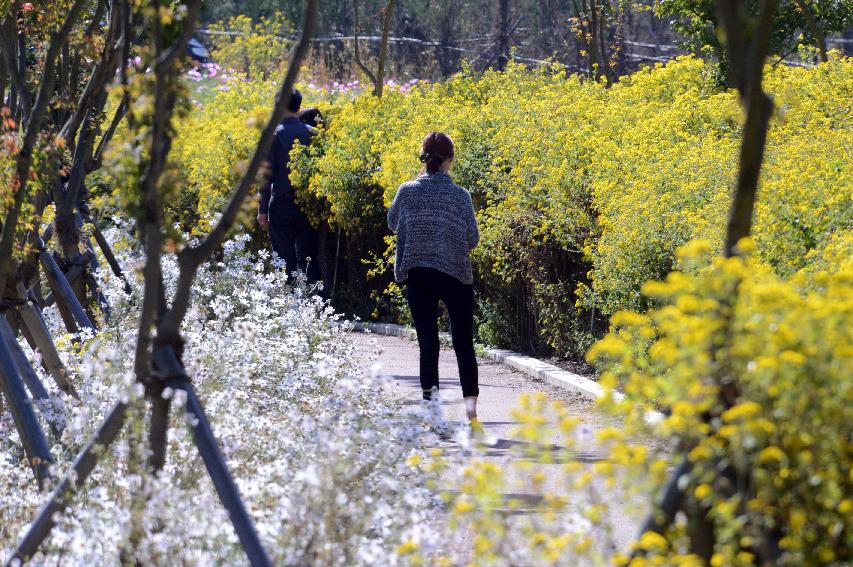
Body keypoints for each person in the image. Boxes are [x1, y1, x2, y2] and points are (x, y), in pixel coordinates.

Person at [387, 132, 481, 426]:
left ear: (423, 158)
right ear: (449, 161)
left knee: (428, 344)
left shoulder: (407, 191)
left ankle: (432, 412)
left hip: (418, 273)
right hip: (455, 274)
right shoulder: (461, 196)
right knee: (464, 343)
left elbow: (392, 223)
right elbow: (472, 239)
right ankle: (471, 415)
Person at [258, 89, 321, 285]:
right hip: (308, 204)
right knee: (308, 255)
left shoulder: (273, 134)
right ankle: (313, 301)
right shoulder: (313, 133)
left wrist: (262, 210)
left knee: (284, 259)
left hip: (281, 202)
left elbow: (266, 176)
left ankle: (289, 303)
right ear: (299, 106)